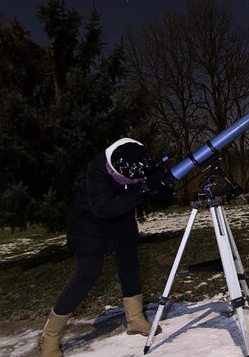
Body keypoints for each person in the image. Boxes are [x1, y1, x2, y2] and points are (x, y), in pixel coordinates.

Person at [39, 138, 166, 357]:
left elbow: (159, 191)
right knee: (87, 274)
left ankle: (134, 319)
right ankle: (49, 337)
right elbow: (103, 208)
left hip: (122, 219)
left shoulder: (138, 159)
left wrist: (161, 184)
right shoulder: (97, 169)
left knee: (129, 266)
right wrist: (140, 192)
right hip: (88, 223)